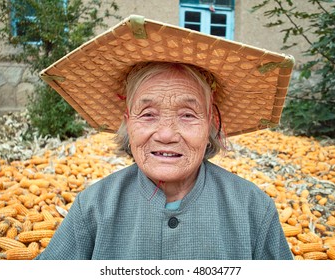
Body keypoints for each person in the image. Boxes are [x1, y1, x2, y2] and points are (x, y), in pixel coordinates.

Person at [36, 15, 295, 260]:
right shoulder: (93, 207)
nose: (167, 134)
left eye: (188, 115)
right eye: (148, 114)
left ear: (210, 126)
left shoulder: (253, 209)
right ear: (128, 124)